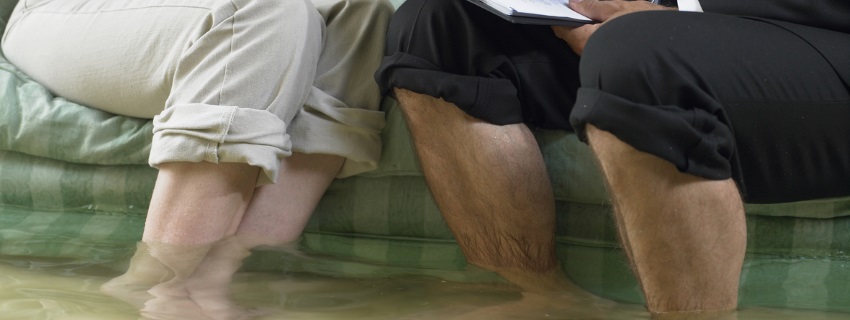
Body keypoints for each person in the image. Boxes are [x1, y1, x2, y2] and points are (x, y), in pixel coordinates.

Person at [376, 0, 850, 316]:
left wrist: (673, 10)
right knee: (434, 26)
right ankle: (544, 303)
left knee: (639, 56)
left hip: (819, 27)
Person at [2, 0, 392, 317]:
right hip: (64, 11)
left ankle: (219, 275)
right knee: (265, 11)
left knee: (360, 15)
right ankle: (157, 283)